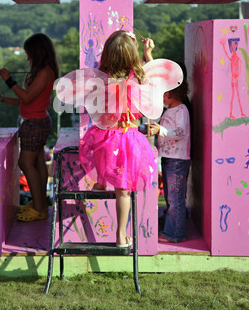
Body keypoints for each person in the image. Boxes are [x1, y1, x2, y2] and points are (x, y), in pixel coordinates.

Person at [79, 30, 157, 248]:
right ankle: (121, 236)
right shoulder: (138, 78)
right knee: (123, 190)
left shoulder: (101, 79)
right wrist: (148, 54)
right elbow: (151, 80)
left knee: (101, 156)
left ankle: (100, 182)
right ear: (132, 55)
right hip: (128, 139)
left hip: (104, 136)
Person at [0, 33, 59, 222]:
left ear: (37, 52)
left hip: (34, 124)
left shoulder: (45, 72)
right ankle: (40, 204)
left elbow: (27, 97)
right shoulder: (44, 71)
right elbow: (27, 102)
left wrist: (9, 80)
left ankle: (39, 208)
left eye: (29, 53)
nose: (28, 57)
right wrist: (2, 99)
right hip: (37, 122)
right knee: (38, 163)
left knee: (25, 163)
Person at [149, 71, 191, 243]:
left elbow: (180, 132)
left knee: (175, 198)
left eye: (164, 93)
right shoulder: (171, 110)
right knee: (171, 197)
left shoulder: (181, 110)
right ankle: (171, 230)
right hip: (170, 159)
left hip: (177, 160)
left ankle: (174, 233)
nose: (162, 97)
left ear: (172, 94)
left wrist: (161, 130)